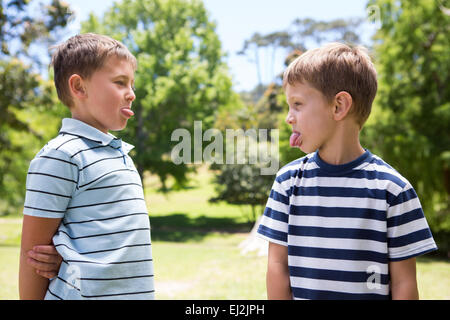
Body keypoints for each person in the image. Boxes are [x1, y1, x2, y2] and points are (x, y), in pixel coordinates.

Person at [256, 42, 437, 300]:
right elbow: (277, 266)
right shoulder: (287, 184)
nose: (289, 117)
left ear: (338, 106)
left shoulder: (393, 191)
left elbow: (404, 284)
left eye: (297, 104)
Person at [19, 33, 155, 300]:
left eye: (132, 84)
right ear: (79, 88)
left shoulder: (121, 156)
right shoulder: (60, 156)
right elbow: (32, 257)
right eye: (120, 83)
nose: (132, 94)